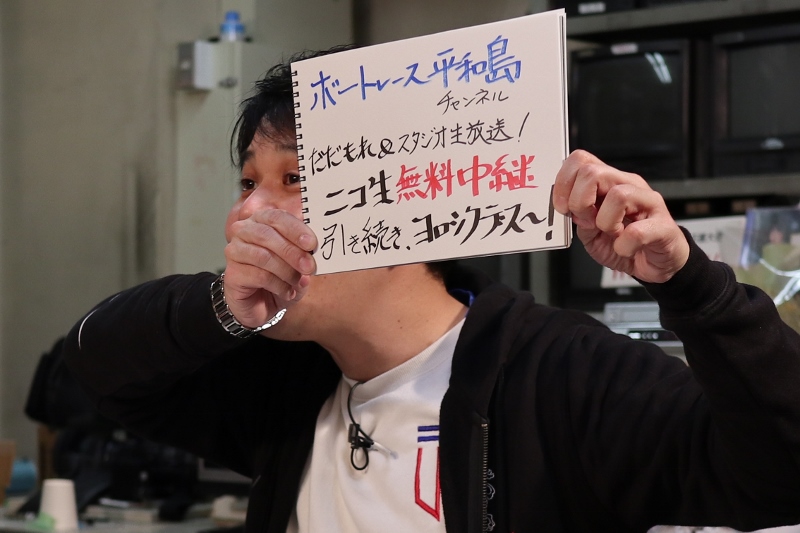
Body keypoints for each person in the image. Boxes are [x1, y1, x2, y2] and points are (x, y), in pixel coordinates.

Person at [63, 48, 800, 533]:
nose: (248, 214)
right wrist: (221, 307)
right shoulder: (286, 381)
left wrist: (692, 288)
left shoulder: (560, 374)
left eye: (293, 179)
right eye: (247, 183)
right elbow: (95, 366)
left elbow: (777, 473)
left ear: (406, 205)